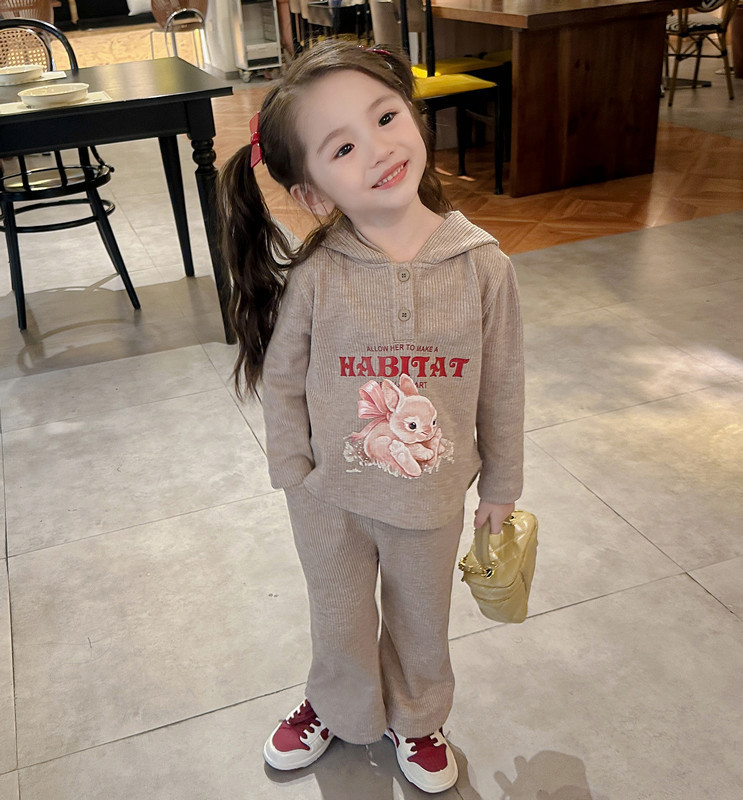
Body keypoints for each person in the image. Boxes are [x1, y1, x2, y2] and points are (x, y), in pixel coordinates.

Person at [217, 40, 524, 795]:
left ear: (413, 118)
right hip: (331, 499)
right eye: (344, 147)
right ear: (316, 193)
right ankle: (336, 705)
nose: (379, 148)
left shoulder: (484, 266)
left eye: (385, 118)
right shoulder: (319, 275)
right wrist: (294, 473)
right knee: (340, 617)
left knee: (422, 620)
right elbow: (284, 379)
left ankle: (417, 717)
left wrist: (501, 486)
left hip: (430, 499)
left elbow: (502, 385)